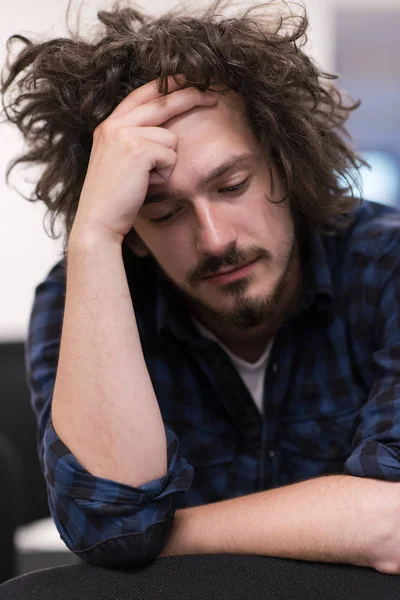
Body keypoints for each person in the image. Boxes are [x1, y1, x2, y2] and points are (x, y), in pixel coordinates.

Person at [2, 0, 400, 576]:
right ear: (132, 231)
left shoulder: (385, 262)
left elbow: (392, 523)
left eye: (232, 185)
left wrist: (156, 534)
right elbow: (106, 518)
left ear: (286, 165)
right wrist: (92, 235)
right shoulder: (83, 292)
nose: (215, 241)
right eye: (163, 214)